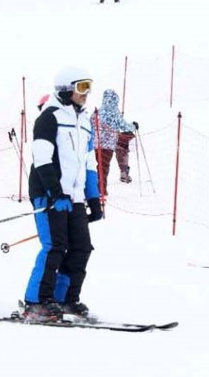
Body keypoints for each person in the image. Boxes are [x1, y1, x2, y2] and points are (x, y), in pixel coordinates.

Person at [19, 67, 103, 323]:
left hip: (74, 195)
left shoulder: (84, 121)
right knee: (55, 246)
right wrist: (55, 193)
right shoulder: (49, 118)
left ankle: (64, 298)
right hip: (49, 192)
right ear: (66, 90)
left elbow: (89, 163)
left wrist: (93, 199)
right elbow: (42, 159)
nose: (86, 93)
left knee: (81, 247)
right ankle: (36, 302)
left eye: (89, 87)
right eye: (81, 87)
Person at [92, 89, 137, 190]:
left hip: (95, 144)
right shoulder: (115, 113)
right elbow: (124, 126)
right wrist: (133, 126)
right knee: (104, 167)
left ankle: (94, 189)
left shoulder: (97, 112)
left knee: (96, 166)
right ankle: (101, 190)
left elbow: (91, 124)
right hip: (108, 146)